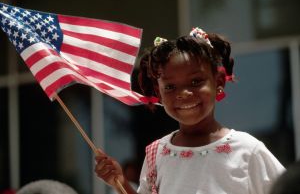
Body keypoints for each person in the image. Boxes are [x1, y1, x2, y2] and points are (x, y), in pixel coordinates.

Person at [94, 27, 285, 194]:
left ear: (218, 82)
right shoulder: (157, 154)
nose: (183, 94)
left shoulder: (247, 151)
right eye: (170, 87)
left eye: (195, 82)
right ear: (158, 92)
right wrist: (120, 182)